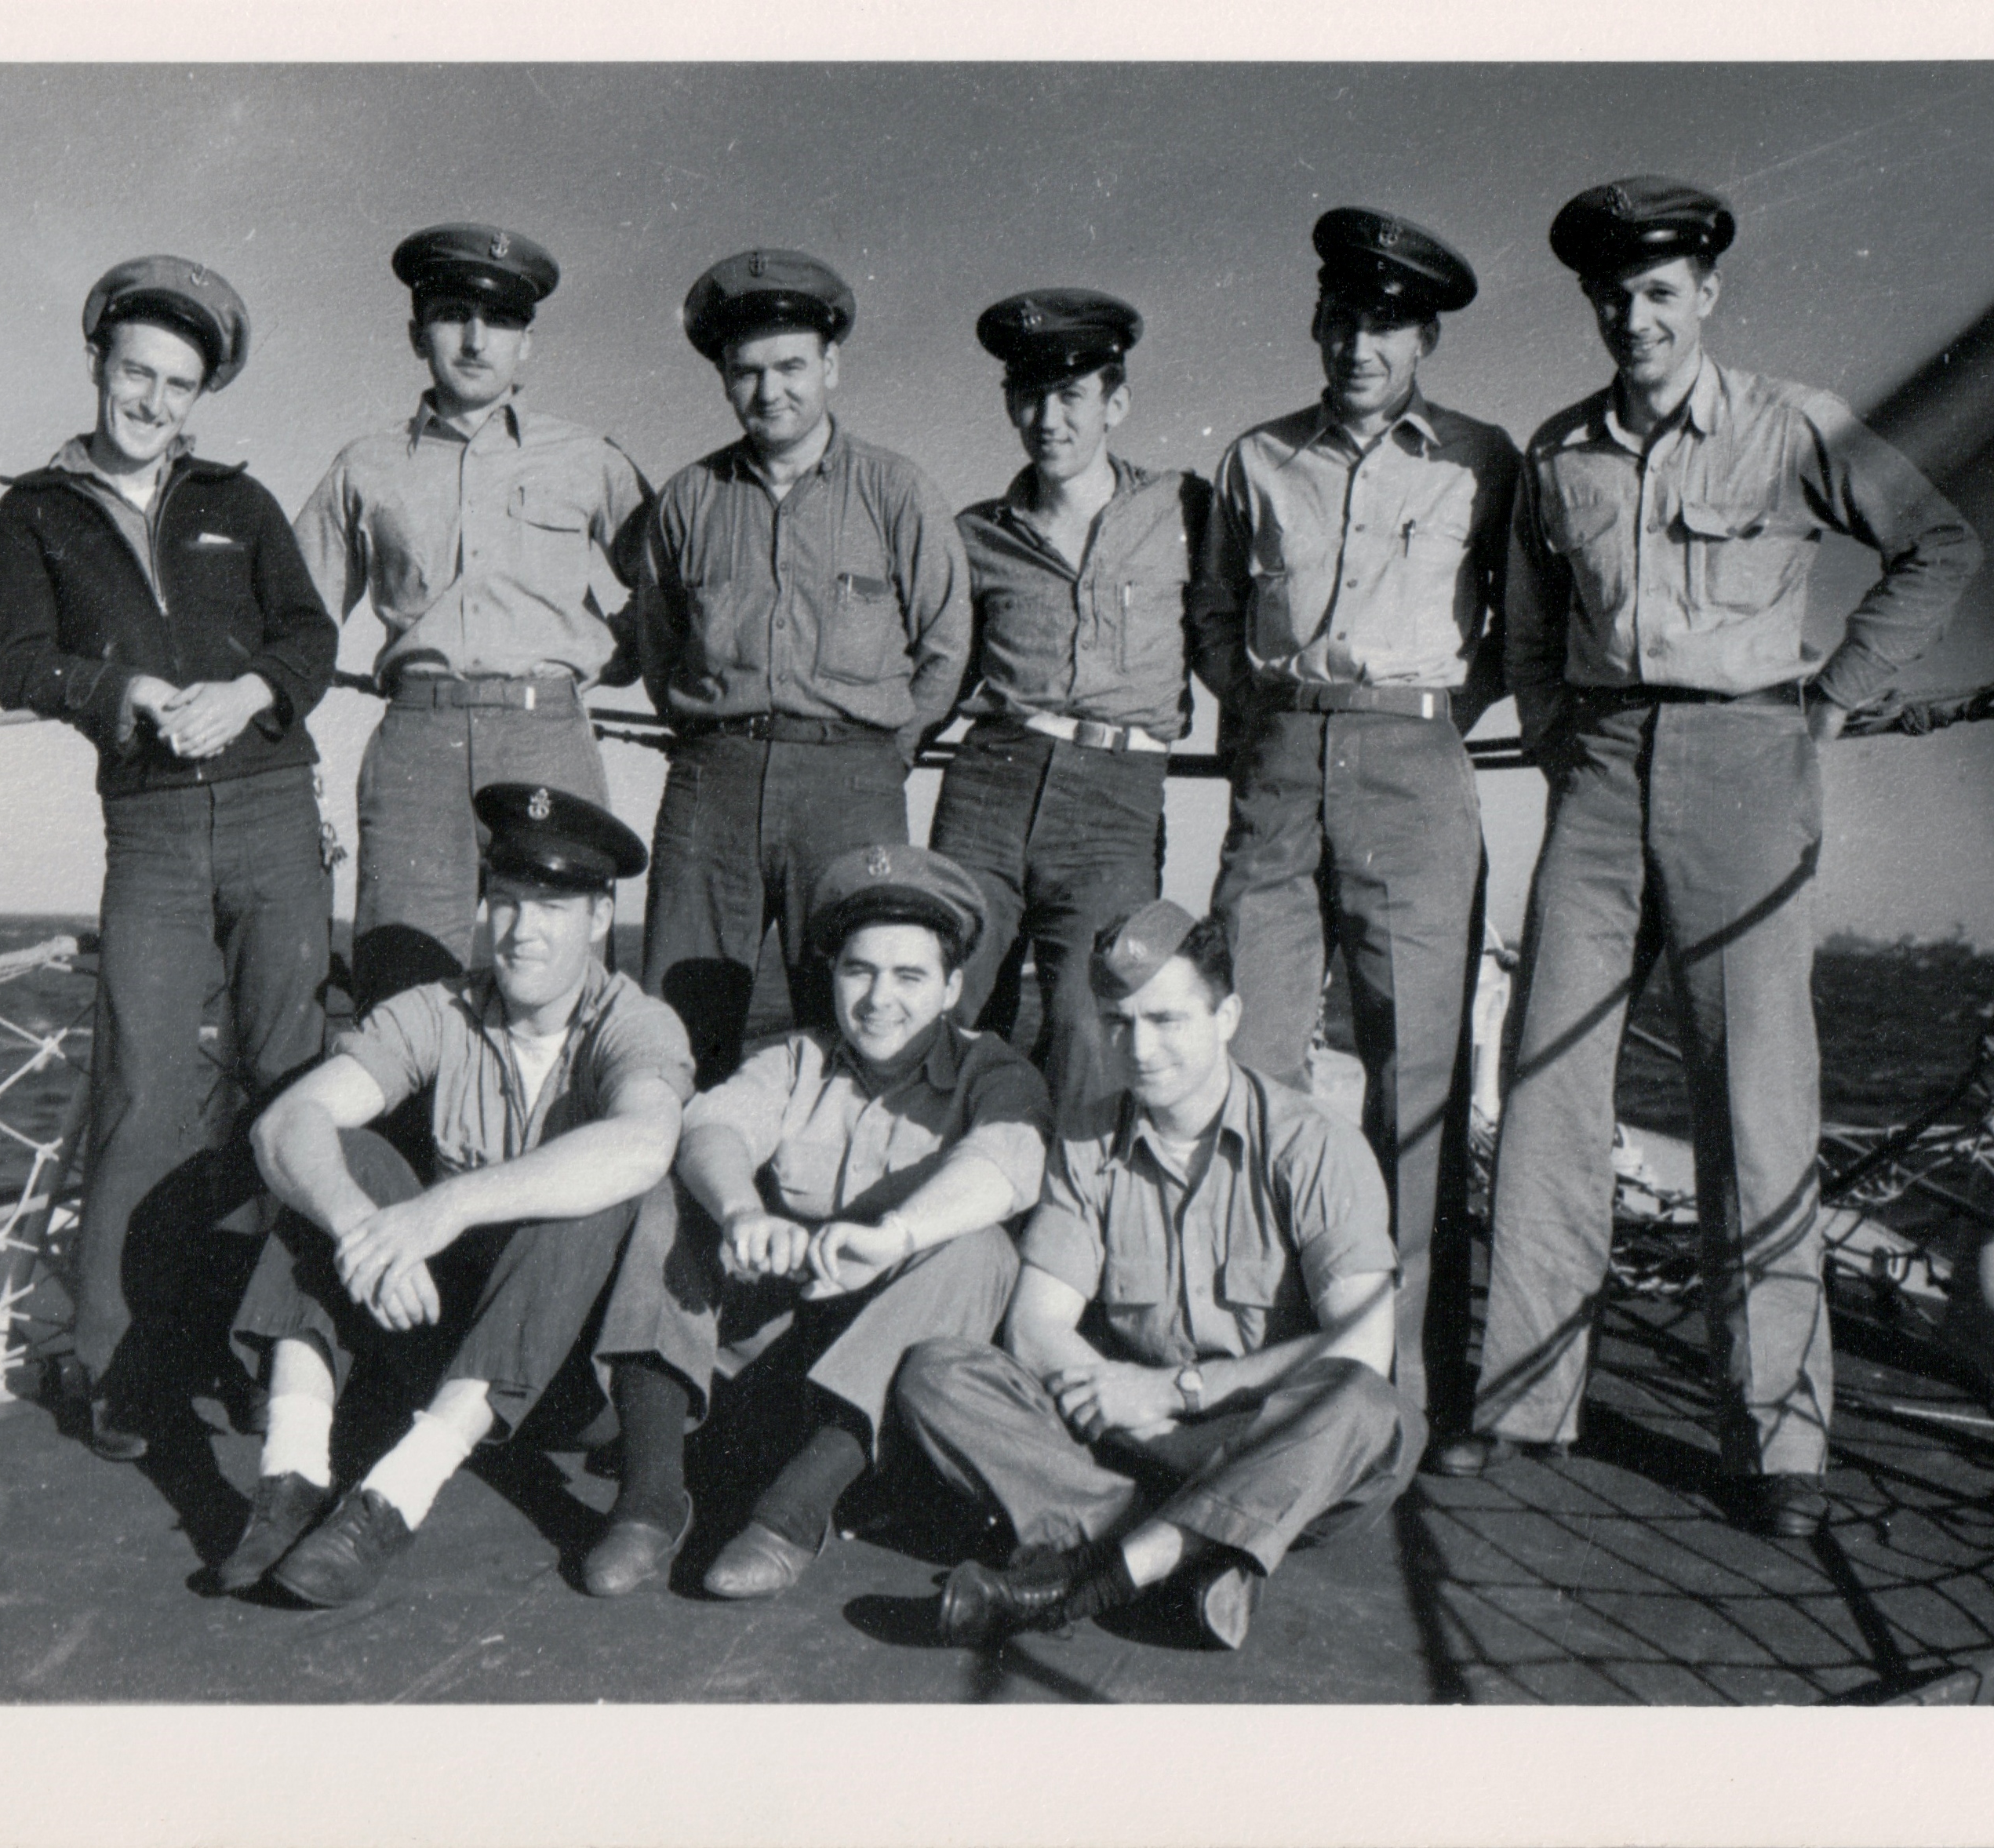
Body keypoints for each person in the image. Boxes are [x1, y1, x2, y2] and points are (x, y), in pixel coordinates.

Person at [1436, 177, 1981, 1537]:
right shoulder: (1560, 453)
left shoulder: (1792, 424)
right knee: (1550, 1082)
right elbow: (1525, 622)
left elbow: (1937, 542)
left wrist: (1834, 700)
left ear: (1705, 296)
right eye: (1613, 297)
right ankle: (1524, 1397)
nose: (1635, 318)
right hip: (1600, 777)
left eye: (1659, 293)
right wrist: (1561, 731)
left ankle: (1777, 1442)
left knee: (1757, 1102)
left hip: (1745, 765)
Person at [0, 256, 337, 1461]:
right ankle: (118, 1360)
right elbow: (18, 663)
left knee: (290, 1082)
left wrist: (250, 692)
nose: (155, 401)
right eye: (138, 372)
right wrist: (117, 688)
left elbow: (310, 636)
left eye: (179, 385)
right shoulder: (28, 513)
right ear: (99, 365)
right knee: (138, 1088)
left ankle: (271, 1346)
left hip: (276, 811)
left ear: (200, 395)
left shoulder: (240, 498)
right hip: (154, 830)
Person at [1195, 207, 1518, 1434]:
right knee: (1250, 1058)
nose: (1359, 344)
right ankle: (1249, 1357)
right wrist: (1278, 711)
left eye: (1386, 323)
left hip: (1412, 767)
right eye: (1343, 318)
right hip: (1279, 763)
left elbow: (1514, 635)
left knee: (1416, 1082)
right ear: (1317, 322)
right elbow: (1215, 621)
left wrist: (1420, 712)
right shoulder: (1253, 461)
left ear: (1423, 336)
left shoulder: (1483, 463)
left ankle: (1408, 1389)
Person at [896, 900, 1416, 1652]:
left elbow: (1361, 1345)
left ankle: (1090, 1578)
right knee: (937, 1373)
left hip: (1264, 1439)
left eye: (1167, 1020)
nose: (1139, 1048)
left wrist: (1174, 1395)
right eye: (1118, 1020)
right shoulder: (1086, 1141)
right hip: (1131, 1437)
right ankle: (1196, 1555)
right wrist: (1128, 1405)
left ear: (1228, 1016)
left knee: (1366, 1406)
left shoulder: (1314, 1148)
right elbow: (1036, 1325)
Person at [221, 786, 695, 1606]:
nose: (522, 931)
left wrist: (442, 1209)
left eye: (552, 907)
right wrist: (356, 1221)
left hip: (568, 1380)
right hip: (439, 1339)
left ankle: (392, 1501)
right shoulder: (438, 1011)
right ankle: (289, 1480)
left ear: (598, 918)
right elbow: (286, 1123)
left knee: (591, 1191)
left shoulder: (636, 1022)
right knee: (345, 1157)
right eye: (505, 903)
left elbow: (643, 1143)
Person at [592, 845, 1051, 1601]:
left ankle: (794, 1513)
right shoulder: (798, 1059)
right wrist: (741, 1210)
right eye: (859, 971)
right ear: (833, 976)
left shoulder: (993, 1073)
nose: (879, 999)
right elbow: (713, 1126)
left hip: (881, 1406)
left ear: (951, 988)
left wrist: (896, 1236)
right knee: (666, 1199)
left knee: (980, 1250)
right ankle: (649, 1497)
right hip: (766, 1367)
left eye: (909, 977)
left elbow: (1009, 1159)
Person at [634, 249, 971, 1086]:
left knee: (855, 1015)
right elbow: (657, 639)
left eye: (790, 366)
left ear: (831, 365)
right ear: (721, 378)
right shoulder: (688, 498)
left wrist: (887, 752)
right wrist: (713, 736)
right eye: (745, 372)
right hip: (712, 782)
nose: (769, 390)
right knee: (677, 1023)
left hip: (851, 784)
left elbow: (946, 641)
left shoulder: (896, 491)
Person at [295, 224, 651, 1006]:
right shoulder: (365, 465)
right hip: (417, 743)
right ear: (417, 332)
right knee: (403, 985)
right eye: (454, 313)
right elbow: (295, 616)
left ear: (529, 343)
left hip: (547, 735)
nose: (477, 338)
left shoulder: (588, 458)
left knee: (564, 983)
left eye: (502, 321)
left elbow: (674, 586)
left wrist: (609, 653)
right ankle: (411, 1134)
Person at [929, 289, 1209, 1108]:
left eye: (1071, 395)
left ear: (1115, 403)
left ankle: (1070, 1222)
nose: (1047, 418)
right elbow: (940, 670)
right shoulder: (973, 534)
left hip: (1113, 798)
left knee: (1093, 1021)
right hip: (989, 781)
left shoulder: (1185, 510)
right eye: (1028, 395)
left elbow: (1234, 638)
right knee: (953, 1007)